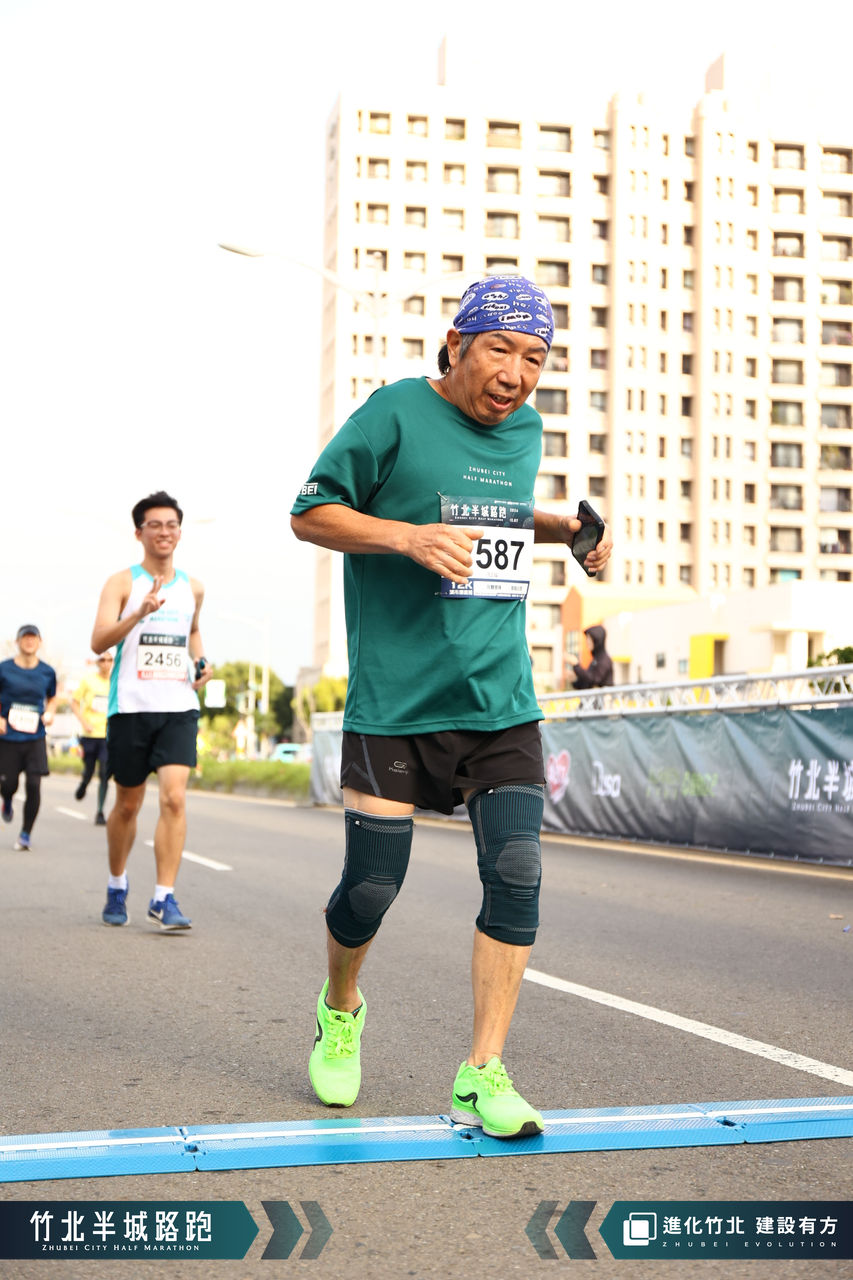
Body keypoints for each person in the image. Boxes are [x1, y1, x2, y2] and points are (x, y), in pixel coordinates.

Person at [291, 275, 612, 1139]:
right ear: (457, 343)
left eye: (534, 358)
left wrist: (567, 531)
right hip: (397, 702)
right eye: (500, 349)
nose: (515, 374)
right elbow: (311, 514)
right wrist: (405, 537)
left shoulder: (526, 432)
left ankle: (482, 1071)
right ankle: (340, 1006)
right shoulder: (394, 412)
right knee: (371, 886)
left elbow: (493, 514)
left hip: (499, 698)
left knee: (517, 872)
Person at [90, 490, 212, 930]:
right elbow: (98, 641)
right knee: (127, 804)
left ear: (180, 532)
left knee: (175, 798)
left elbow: (192, 631)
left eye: (171, 525)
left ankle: (164, 897)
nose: (164, 532)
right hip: (131, 708)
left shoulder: (193, 587)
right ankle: (117, 883)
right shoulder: (121, 583)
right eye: (155, 525)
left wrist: (202, 662)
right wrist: (138, 613)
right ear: (139, 533)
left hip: (179, 706)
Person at [0, 625, 58, 851]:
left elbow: (52, 698)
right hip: (8, 738)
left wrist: (50, 712)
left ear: (39, 642)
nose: (29, 641)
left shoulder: (47, 672)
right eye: (25, 638)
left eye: (33, 638)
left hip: (35, 737)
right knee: (8, 784)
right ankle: (7, 800)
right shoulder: (4, 669)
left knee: (34, 784)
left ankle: (25, 834)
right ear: (18, 642)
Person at [71, 653, 114, 824]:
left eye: (109, 660)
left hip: (107, 735)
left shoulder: (115, 681)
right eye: (102, 660)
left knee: (104, 773)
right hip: (89, 734)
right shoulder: (88, 681)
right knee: (89, 771)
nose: (106, 663)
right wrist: (84, 722)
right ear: (97, 662)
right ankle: (84, 783)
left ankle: (100, 811)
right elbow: (74, 702)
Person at [568, 625, 614, 689]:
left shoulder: (604, 660)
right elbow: (587, 684)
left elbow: (594, 680)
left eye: (589, 639)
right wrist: (574, 681)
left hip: (603, 695)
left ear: (597, 640)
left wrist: (576, 665)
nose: (587, 642)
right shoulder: (595, 659)